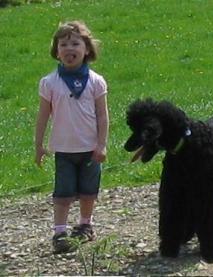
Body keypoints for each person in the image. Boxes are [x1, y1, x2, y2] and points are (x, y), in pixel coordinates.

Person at [35, 20, 109, 254]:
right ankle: (59, 232)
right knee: (63, 193)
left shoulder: (96, 81)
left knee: (89, 191)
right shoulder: (49, 83)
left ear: (86, 49)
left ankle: (85, 225)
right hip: (64, 150)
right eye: (63, 44)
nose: (69, 49)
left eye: (75, 43)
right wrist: (39, 145)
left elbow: (103, 116)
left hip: (90, 149)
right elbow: (43, 116)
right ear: (56, 51)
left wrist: (102, 144)